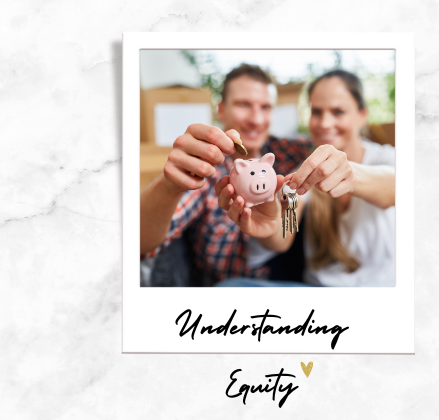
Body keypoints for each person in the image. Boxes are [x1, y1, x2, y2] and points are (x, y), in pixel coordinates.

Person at [140, 64, 350, 285]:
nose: (256, 119)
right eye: (243, 105)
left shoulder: (290, 151)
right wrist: (168, 186)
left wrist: (337, 157)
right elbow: (137, 244)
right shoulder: (204, 171)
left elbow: (337, 144)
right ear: (221, 110)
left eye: (265, 107)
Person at [216, 69, 396, 286]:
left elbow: (395, 186)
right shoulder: (306, 169)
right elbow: (283, 236)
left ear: (362, 115)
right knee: (231, 288)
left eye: (338, 112)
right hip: (318, 291)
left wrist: (348, 172)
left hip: (380, 291)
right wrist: (268, 224)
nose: (324, 123)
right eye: (317, 112)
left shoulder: (386, 157)